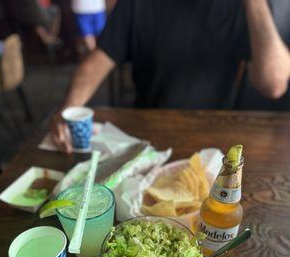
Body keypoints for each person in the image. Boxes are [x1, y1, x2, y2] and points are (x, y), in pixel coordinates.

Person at [51, 0, 290, 153]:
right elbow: (96, 63)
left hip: (217, 140)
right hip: (147, 137)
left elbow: (274, 83)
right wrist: (68, 110)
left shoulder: (239, 6)